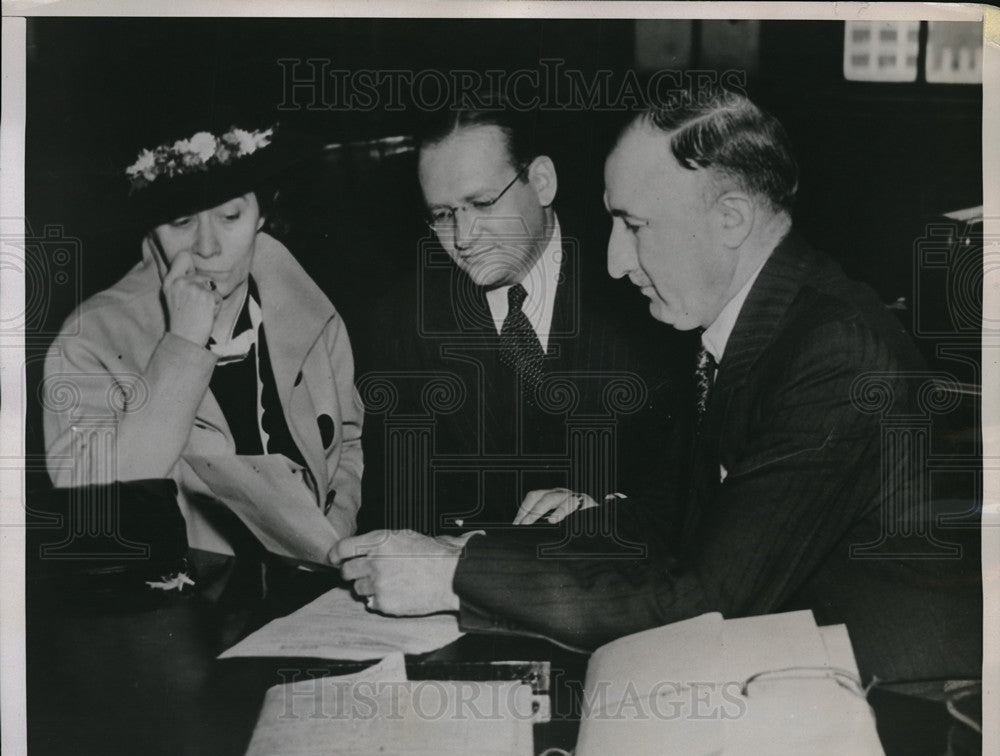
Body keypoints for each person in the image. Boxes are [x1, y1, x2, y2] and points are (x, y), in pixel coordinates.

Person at [339, 89, 980, 685]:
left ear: (731, 218)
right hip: (805, 670)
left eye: (635, 226)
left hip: (904, 713)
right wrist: (500, 544)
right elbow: (679, 519)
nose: (615, 262)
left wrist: (454, 577)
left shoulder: (833, 354)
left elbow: (703, 600)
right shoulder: (763, 325)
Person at [43, 120, 364, 597]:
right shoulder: (89, 339)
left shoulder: (314, 312)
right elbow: (96, 508)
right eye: (181, 222)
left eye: (230, 216)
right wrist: (184, 347)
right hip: (175, 609)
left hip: (309, 593)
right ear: (151, 229)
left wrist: (334, 544)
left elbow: (348, 447)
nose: (208, 247)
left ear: (260, 213)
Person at [357, 100, 678, 534]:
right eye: (443, 215)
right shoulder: (404, 318)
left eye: (484, 203)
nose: (463, 238)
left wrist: (607, 512)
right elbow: (393, 506)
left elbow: (697, 485)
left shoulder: (646, 284)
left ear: (542, 182)